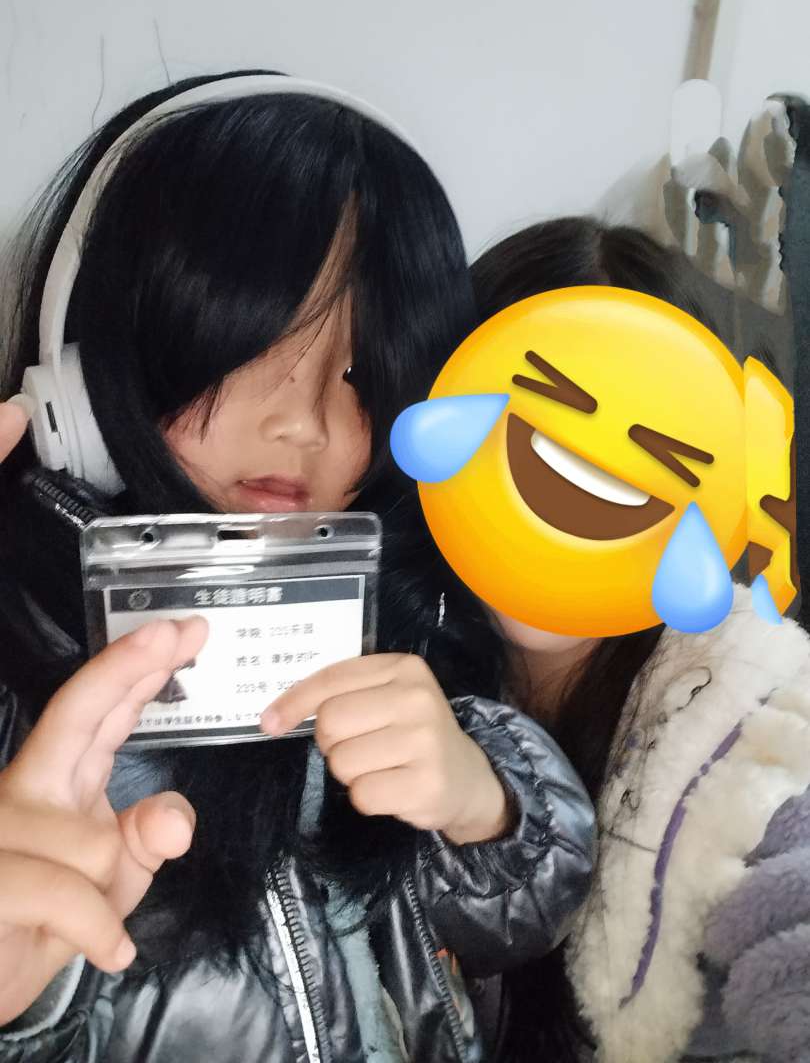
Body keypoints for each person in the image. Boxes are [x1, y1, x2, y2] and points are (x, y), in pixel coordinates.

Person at [0, 75, 595, 1062]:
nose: (303, 424)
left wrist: (482, 806)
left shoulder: (405, 619)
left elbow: (527, 914)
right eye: (250, 345)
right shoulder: (16, 654)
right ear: (90, 373)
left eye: (362, 374)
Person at [466, 217, 810, 1062]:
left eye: (647, 454)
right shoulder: (393, 652)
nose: (584, 492)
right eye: (544, 438)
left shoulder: (744, 711)